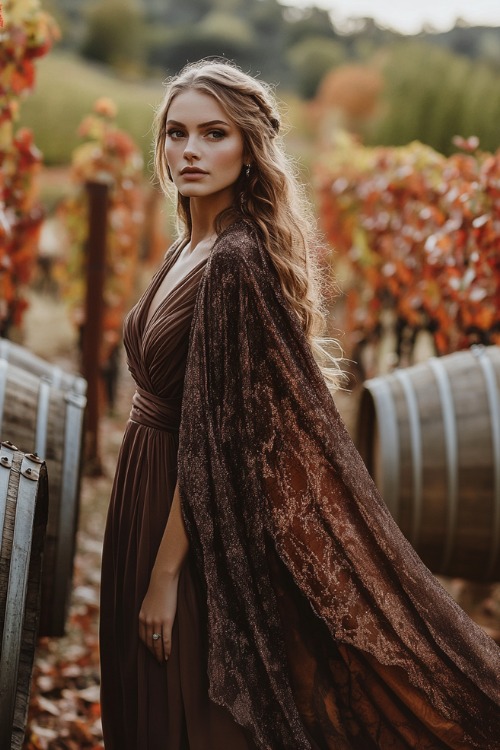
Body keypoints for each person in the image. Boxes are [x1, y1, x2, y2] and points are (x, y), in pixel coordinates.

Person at [99, 59, 500, 750]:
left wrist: (166, 574)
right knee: (142, 696)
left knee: (181, 711)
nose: (189, 151)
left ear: (250, 149)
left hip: (185, 515)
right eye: (176, 133)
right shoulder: (187, 247)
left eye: (213, 134)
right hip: (146, 484)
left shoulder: (236, 260)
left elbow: (218, 440)